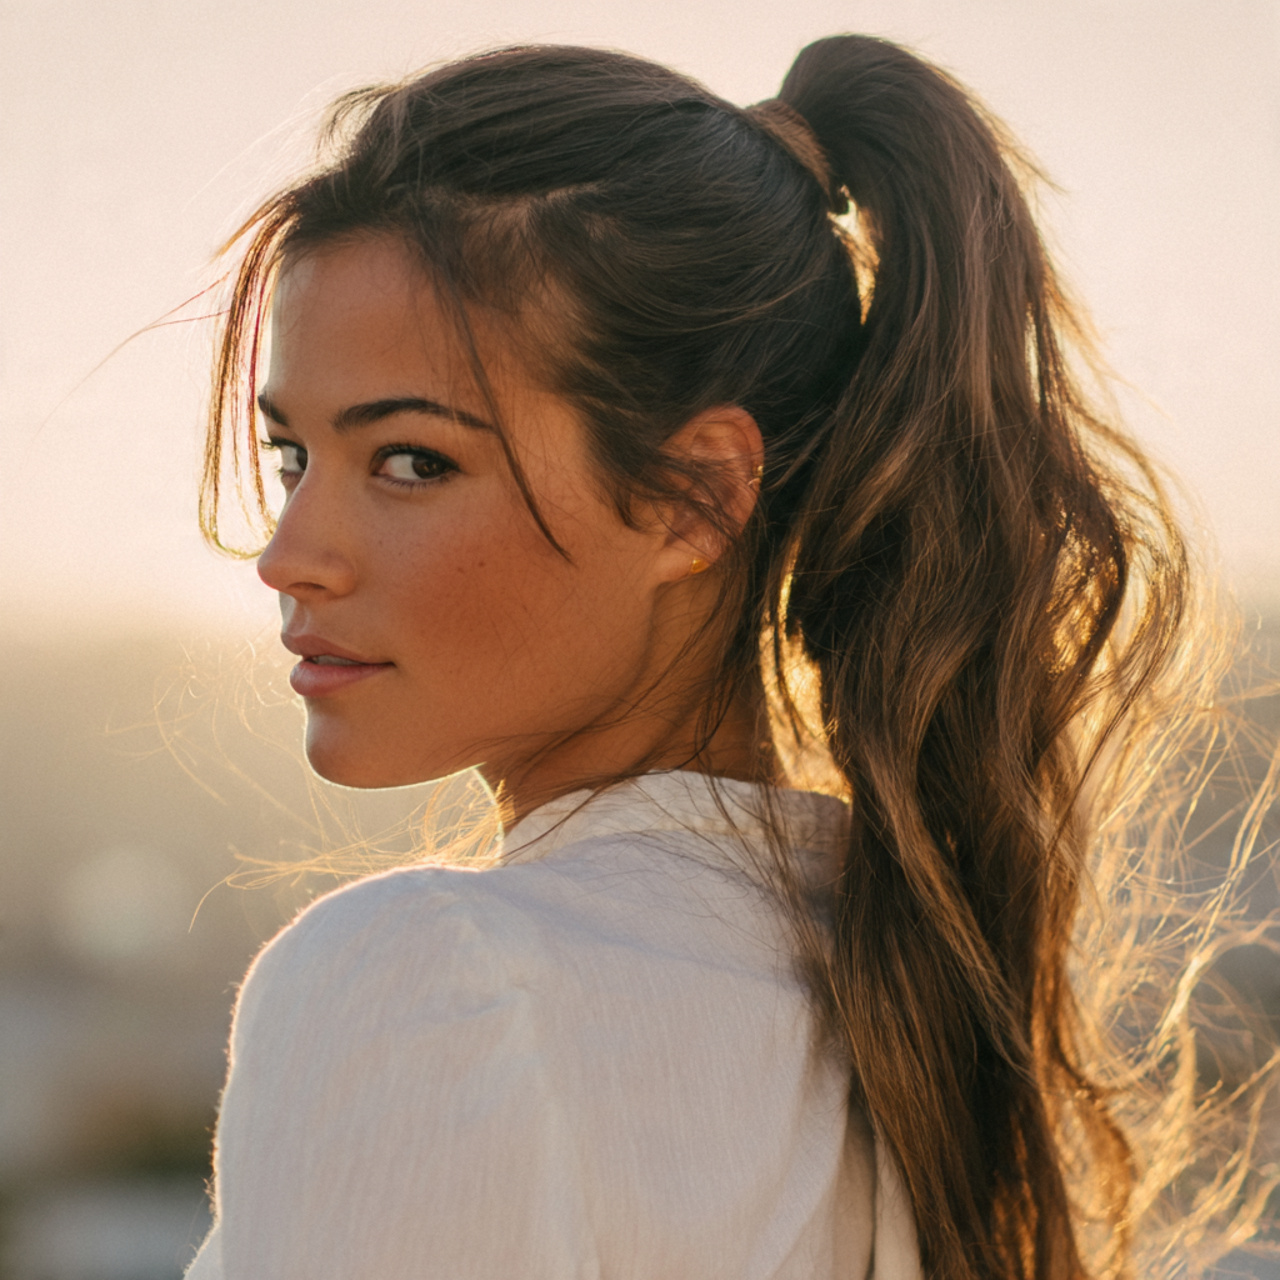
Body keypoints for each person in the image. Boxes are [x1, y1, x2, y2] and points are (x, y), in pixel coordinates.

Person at [186, 35, 1210, 1280]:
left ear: (693, 496)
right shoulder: (906, 1002)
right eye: (294, 456)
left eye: (411, 459)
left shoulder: (433, 984)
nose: (290, 553)